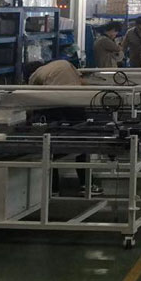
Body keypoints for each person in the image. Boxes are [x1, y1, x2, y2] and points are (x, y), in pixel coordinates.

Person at [26, 60, 101, 196]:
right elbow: (82, 82)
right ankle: (86, 184)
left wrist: (29, 120)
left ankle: (53, 189)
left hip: (54, 104)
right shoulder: (64, 63)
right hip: (74, 100)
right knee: (83, 140)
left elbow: (31, 100)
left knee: (49, 146)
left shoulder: (35, 75)